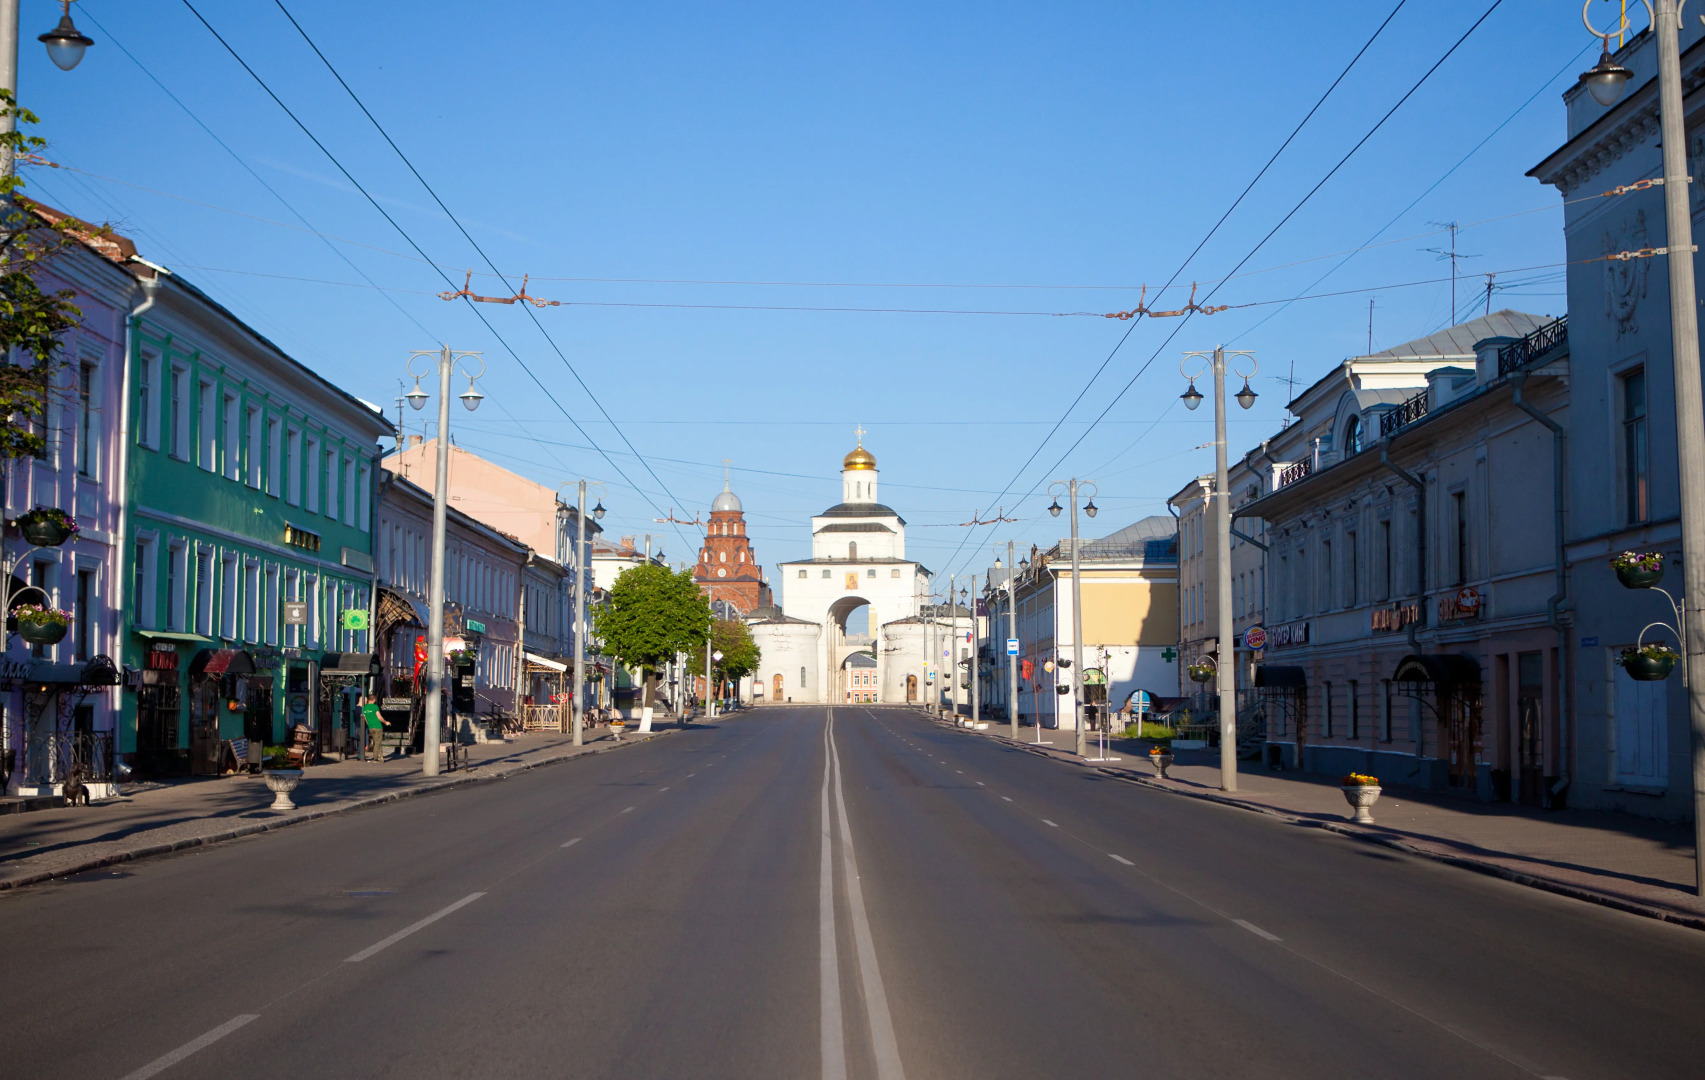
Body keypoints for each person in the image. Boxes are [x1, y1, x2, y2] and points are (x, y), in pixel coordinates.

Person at [360, 694, 384, 761]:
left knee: (375, 741)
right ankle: (376, 757)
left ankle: (376, 755)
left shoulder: (364, 708)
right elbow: (379, 717)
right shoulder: (375, 707)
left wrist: (369, 724)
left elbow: (365, 718)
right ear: (374, 699)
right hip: (378, 726)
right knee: (378, 742)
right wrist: (385, 722)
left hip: (370, 727)